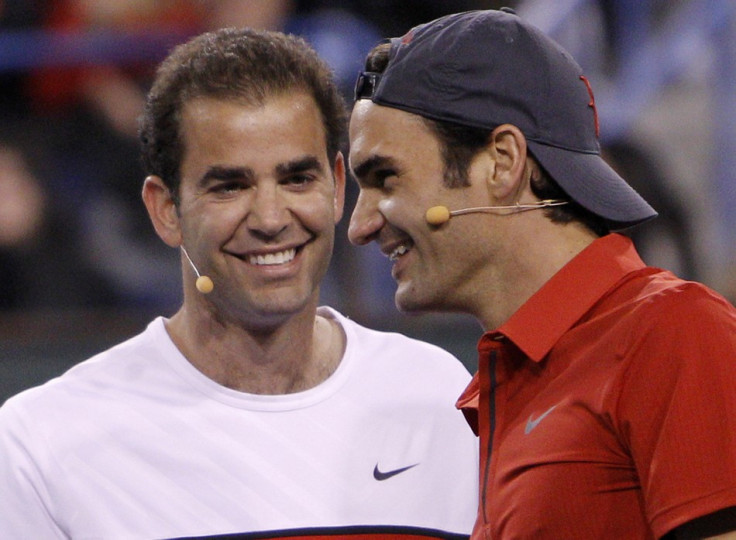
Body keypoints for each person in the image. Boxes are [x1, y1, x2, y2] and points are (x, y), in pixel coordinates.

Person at [0, 27, 479, 539]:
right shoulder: (41, 444)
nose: (271, 218)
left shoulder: (440, 397)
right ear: (166, 211)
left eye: (297, 178)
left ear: (338, 187)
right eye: (230, 186)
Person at [347, 8, 736, 540]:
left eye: (386, 178)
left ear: (503, 163)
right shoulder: (503, 385)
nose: (360, 225)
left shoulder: (674, 332)